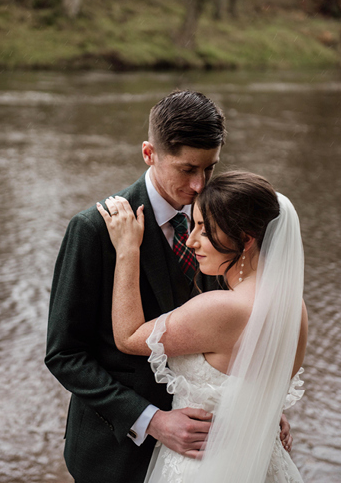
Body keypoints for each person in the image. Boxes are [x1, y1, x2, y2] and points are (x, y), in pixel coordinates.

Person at [45, 90, 291, 483]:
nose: (199, 185)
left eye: (210, 168)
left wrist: (251, 398)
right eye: (186, 169)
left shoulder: (223, 222)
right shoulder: (93, 230)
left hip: (208, 456)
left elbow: (238, 326)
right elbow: (65, 355)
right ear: (149, 153)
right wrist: (152, 420)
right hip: (117, 455)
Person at [97, 170, 308, 482]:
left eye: (204, 230)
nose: (191, 240)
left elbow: (128, 337)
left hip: (204, 467)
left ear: (246, 239)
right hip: (264, 465)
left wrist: (128, 250)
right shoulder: (294, 305)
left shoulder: (222, 308)